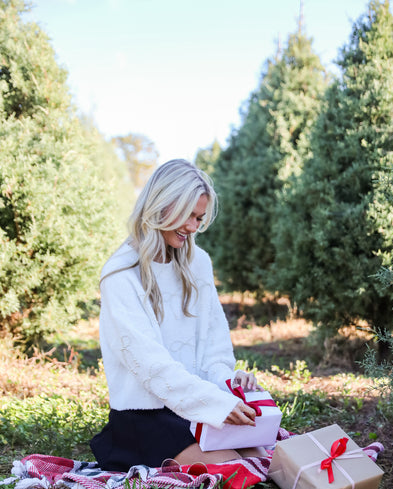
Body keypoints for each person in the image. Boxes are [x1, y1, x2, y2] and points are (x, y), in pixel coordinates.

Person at [90, 158, 266, 471]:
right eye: (188, 215)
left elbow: (213, 348)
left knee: (261, 457)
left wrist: (228, 381)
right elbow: (152, 369)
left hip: (196, 406)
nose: (193, 227)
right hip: (145, 414)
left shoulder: (199, 263)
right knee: (234, 468)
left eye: (199, 218)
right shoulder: (120, 274)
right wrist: (215, 404)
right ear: (160, 204)